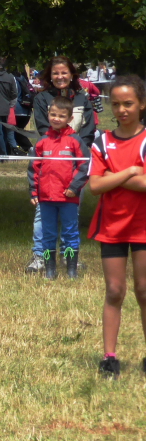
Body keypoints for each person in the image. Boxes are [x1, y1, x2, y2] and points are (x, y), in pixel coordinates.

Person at [85, 75, 146, 379]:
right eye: (116, 104)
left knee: (144, 290)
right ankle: (109, 357)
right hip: (112, 226)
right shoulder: (102, 141)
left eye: (128, 103)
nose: (122, 109)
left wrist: (115, 175)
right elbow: (95, 186)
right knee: (114, 290)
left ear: (142, 104)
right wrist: (131, 171)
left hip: (143, 225)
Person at [26, 57, 100, 274]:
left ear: (71, 74)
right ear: (50, 75)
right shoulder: (42, 98)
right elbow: (43, 128)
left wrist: (76, 148)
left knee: (71, 216)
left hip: (75, 165)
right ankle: (40, 256)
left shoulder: (82, 98)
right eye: (55, 73)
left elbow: (89, 128)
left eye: (64, 72)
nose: (60, 77)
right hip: (50, 164)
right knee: (42, 215)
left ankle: (70, 258)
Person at [28, 98, 88, 280]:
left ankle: (71, 270)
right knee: (48, 234)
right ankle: (50, 270)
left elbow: (85, 166)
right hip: (46, 198)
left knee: (70, 232)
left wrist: (74, 187)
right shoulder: (42, 141)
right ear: (48, 115)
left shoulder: (75, 140)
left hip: (68, 197)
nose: (56, 118)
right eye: (53, 114)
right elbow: (34, 168)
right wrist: (34, 191)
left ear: (70, 118)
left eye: (61, 116)